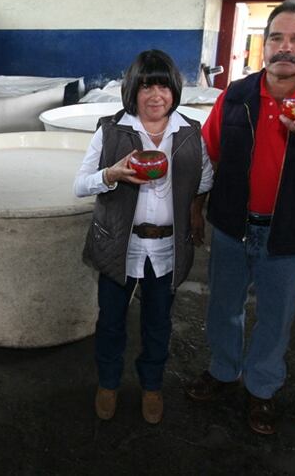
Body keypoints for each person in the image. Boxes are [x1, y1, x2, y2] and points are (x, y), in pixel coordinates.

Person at [185, 0, 295, 435]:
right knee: (223, 307)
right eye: (276, 38)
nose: (286, 47)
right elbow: (208, 155)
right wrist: (196, 208)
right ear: (264, 46)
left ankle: (262, 389)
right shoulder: (236, 97)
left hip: (289, 231)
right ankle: (224, 371)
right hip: (232, 225)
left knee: (276, 316)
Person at [74, 50, 213, 425]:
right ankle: (108, 383)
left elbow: (205, 178)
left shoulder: (190, 132)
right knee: (111, 321)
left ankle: (152, 386)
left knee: (158, 322)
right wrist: (111, 174)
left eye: (164, 85)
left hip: (166, 247)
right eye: (147, 85)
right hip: (121, 244)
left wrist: (195, 208)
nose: (156, 95)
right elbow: (79, 184)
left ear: (175, 90)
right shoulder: (111, 130)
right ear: (133, 90)